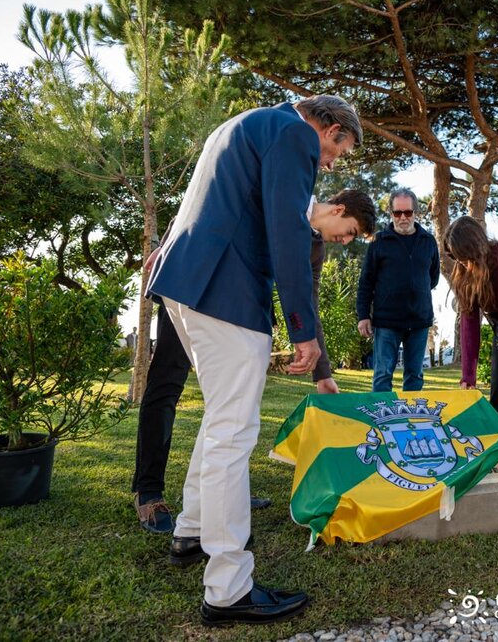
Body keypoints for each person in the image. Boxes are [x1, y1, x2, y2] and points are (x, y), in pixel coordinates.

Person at [147, 95, 374, 626]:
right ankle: (227, 588)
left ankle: (192, 530)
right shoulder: (294, 134)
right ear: (331, 128)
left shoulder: (240, 123)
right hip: (226, 291)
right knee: (234, 433)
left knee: (220, 419)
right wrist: (303, 331)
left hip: (186, 281)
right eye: (338, 150)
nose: (331, 163)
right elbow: (287, 234)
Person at [132, 192, 370, 534]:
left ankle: (228, 490)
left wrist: (323, 374)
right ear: (338, 209)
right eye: (350, 231)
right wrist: (169, 243)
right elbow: (206, 203)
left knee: (238, 401)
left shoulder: (315, 249)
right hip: (196, 283)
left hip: (240, 305)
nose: (346, 241)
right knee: (168, 381)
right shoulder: (285, 191)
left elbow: (308, 304)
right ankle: (148, 491)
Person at [444, 216, 498, 423]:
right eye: (458, 259)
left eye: (466, 258)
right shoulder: (463, 274)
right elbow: (469, 324)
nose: (464, 264)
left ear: (477, 247)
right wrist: (468, 376)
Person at [356, 188, 440, 392]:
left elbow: (433, 278)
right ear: (391, 214)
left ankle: (411, 421)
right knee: (383, 374)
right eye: (397, 213)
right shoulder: (379, 242)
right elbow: (366, 282)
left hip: (419, 321)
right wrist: (363, 316)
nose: (403, 217)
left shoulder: (428, 242)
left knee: (415, 376)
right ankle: (380, 421)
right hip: (386, 322)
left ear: (416, 213)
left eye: (408, 212)